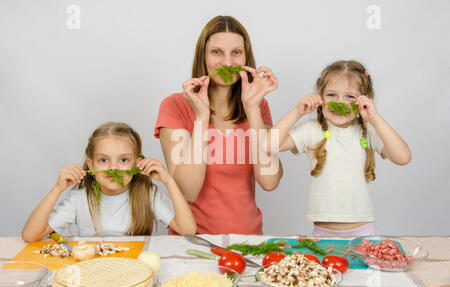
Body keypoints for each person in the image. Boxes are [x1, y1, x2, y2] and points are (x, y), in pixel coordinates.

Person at [154, 16, 283, 235]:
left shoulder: (258, 107)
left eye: (236, 52)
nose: (227, 63)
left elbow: (269, 181)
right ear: (202, 56)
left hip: (248, 241)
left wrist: (251, 108)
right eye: (216, 52)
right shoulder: (174, 106)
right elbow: (187, 192)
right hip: (193, 244)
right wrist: (202, 118)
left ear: (246, 57)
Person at [263, 60, 412, 237]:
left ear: (363, 100)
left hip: (363, 232)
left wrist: (375, 118)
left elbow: (403, 157)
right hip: (322, 233)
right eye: (332, 95)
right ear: (320, 96)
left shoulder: (369, 131)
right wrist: (297, 112)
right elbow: (267, 146)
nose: (339, 102)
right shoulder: (312, 129)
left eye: (350, 97)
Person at [22, 122, 196, 241]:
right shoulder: (79, 199)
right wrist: (57, 189)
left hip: (135, 271)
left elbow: (188, 230)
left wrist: (169, 181)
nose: (113, 168)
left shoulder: (149, 194)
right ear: (91, 164)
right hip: (94, 270)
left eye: (123, 160)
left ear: (137, 163)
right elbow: (30, 235)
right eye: (103, 160)